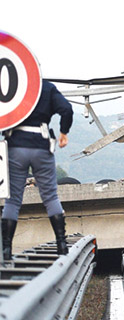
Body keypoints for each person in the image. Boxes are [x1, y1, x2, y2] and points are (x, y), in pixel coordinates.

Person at [2, 80, 73, 260]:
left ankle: (6, 250)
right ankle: (62, 245)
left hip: (15, 147)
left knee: (12, 200)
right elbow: (67, 109)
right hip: (41, 146)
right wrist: (64, 132)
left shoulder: (11, 85)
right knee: (50, 197)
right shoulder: (46, 87)